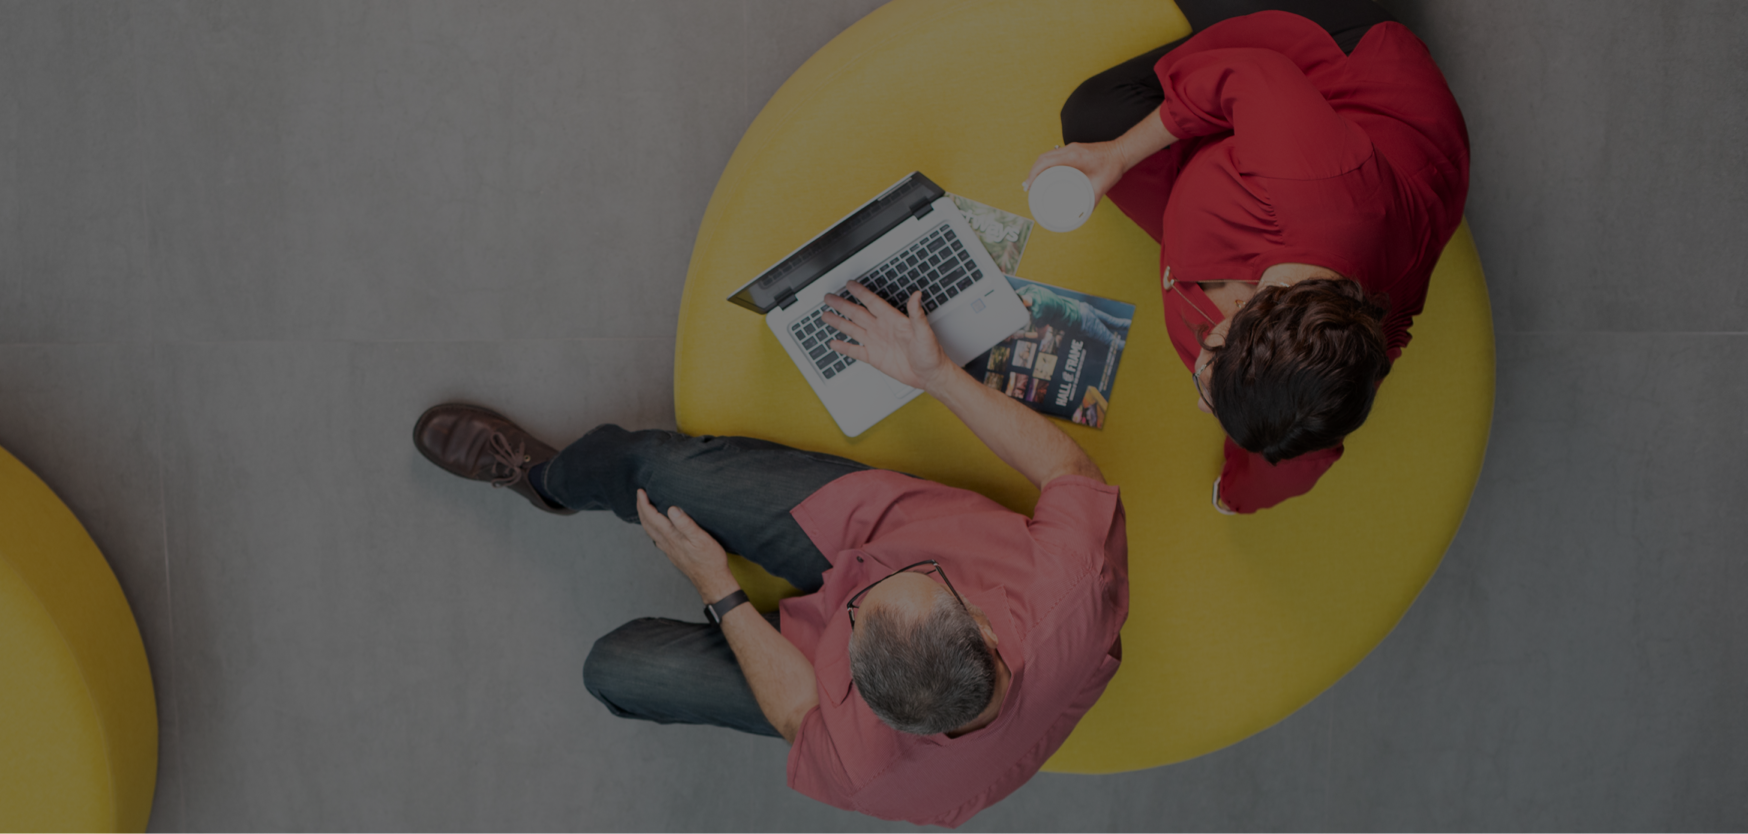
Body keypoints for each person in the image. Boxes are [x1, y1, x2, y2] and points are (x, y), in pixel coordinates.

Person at [411, 287, 1126, 827]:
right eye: (909, 584)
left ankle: (750, 613)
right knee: (653, 468)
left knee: (614, 668)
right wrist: (935, 373)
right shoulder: (1072, 580)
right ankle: (545, 481)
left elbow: (798, 718)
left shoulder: (878, 775)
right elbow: (1070, 470)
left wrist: (719, 590)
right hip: (865, 524)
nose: (863, 586)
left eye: (860, 609)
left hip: (809, 668)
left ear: (868, 699)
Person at [1025, 0, 1471, 513]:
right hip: (1344, 72)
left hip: (1273, 175)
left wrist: (1242, 478)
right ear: (1245, 310)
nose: (1199, 399)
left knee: (1099, 128)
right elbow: (1249, 75)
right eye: (1213, 370)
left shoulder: (1338, 365)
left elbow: (1298, 431)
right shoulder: (1314, 183)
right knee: (1093, 119)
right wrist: (1118, 154)